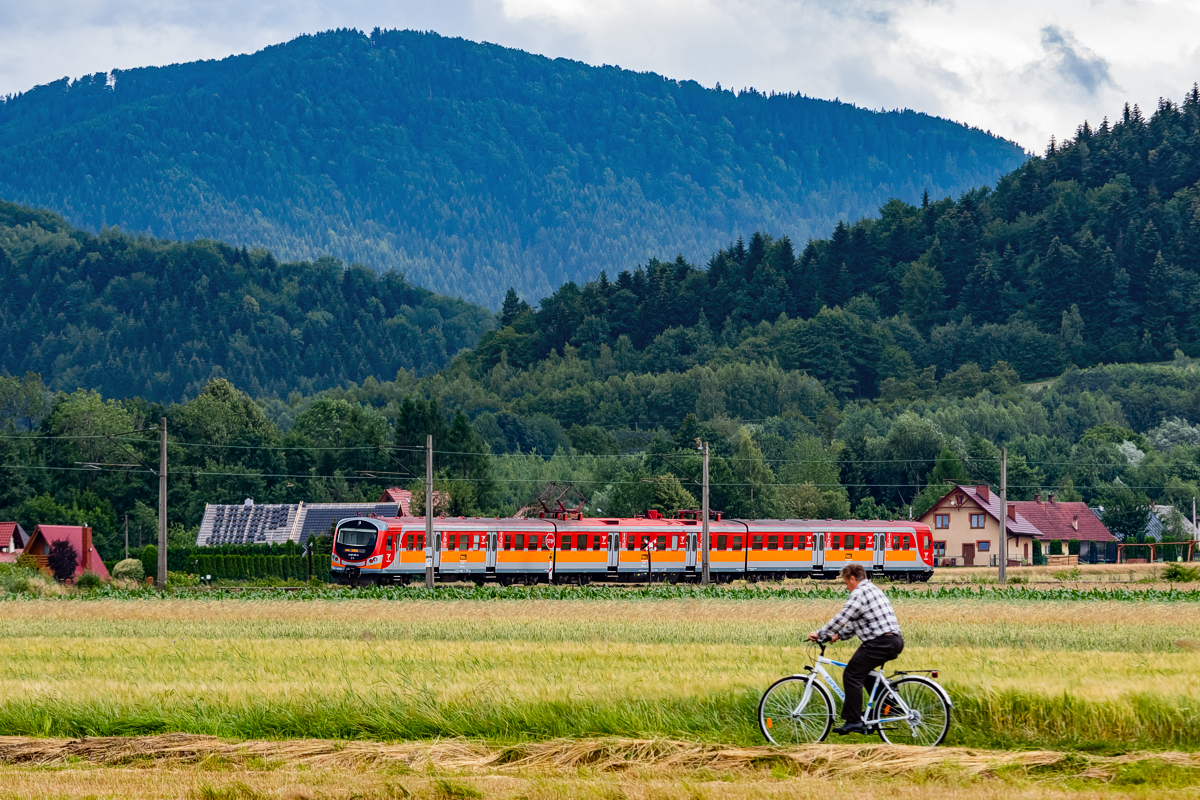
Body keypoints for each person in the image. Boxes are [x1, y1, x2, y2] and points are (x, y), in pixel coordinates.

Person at [808, 562, 904, 735]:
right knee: (864, 672)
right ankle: (889, 705)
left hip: (880, 642)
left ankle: (854, 721)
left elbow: (843, 617)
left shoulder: (859, 592)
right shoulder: (871, 589)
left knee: (851, 674)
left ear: (852, 578)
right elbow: (857, 622)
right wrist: (838, 636)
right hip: (892, 641)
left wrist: (821, 633)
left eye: (846, 583)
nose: (846, 587)